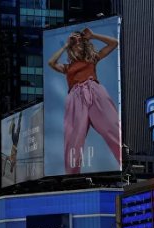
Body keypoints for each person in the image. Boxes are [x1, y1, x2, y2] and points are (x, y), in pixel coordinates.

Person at [48, 27, 120, 175]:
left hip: (94, 91)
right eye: (75, 42)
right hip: (75, 98)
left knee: (112, 127)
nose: (78, 43)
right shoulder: (67, 67)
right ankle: (72, 176)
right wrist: (66, 45)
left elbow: (114, 43)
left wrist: (92, 35)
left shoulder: (92, 59)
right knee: (73, 139)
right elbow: (51, 62)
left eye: (80, 41)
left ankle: (124, 162)